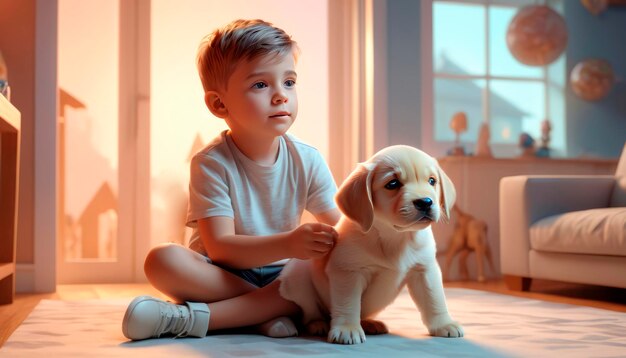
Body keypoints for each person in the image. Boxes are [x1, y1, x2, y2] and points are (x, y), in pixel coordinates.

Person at [122, 19, 340, 341]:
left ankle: (188, 319)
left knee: (318, 273)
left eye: (289, 82)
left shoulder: (308, 159)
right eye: (260, 85)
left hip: (286, 276)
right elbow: (221, 249)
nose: (281, 96)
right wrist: (290, 243)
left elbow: (342, 228)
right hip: (224, 273)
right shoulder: (210, 162)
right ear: (219, 104)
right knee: (161, 259)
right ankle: (266, 310)